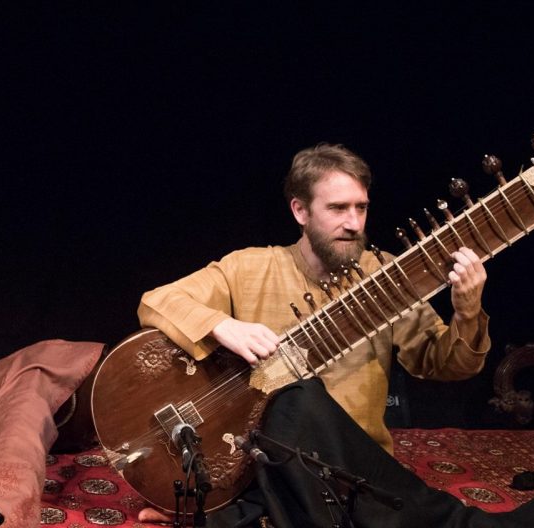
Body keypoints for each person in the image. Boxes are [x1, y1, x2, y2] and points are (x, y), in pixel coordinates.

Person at [138, 142, 490, 454]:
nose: (354, 223)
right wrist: (221, 324)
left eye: (361, 208)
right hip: (267, 464)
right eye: (338, 208)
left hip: (356, 463)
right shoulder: (249, 268)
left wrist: (468, 312)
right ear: (300, 211)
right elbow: (157, 302)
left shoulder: (386, 276)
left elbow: (445, 366)